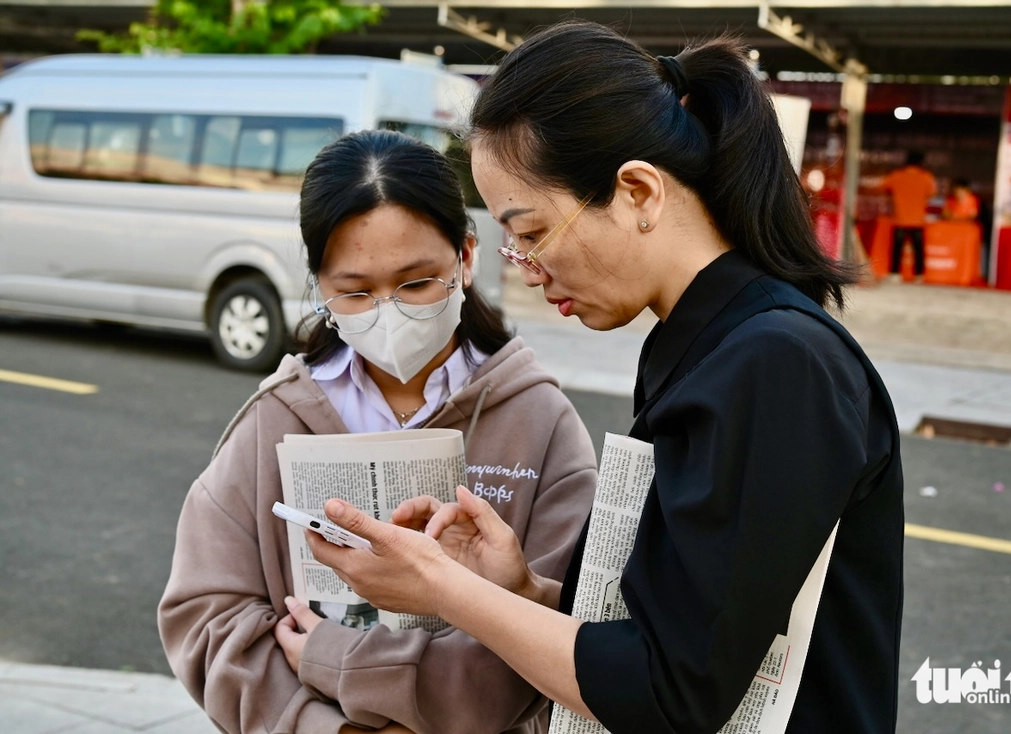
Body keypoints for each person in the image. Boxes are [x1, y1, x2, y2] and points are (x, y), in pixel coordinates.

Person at [306, 21, 905, 734]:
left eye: (532, 233)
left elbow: (670, 693)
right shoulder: (713, 343)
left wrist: (441, 588)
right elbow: (671, 627)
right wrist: (519, 589)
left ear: (639, 193)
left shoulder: (774, 363)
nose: (528, 270)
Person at [157, 129, 599, 734]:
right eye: (356, 291)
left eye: (416, 283)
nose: (389, 311)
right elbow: (207, 615)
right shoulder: (276, 418)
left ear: (466, 258)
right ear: (319, 285)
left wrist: (338, 660)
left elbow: (559, 637)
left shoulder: (540, 422)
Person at [883, 150, 937, 282]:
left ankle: (894, 274)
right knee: (918, 248)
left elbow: (885, 187)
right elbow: (932, 193)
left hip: (900, 218)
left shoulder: (896, 175)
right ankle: (919, 275)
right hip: (917, 219)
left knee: (897, 247)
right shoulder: (926, 177)